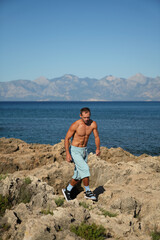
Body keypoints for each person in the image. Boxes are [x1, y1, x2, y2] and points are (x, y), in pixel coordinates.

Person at [62, 107, 100, 201]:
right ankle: (88, 192)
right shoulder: (76, 125)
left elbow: (96, 137)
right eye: (85, 117)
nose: (87, 119)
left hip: (84, 151)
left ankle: (67, 190)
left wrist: (98, 148)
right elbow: (67, 139)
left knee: (79, 175)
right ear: (80, 116)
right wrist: (67, 153)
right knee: (85, 169)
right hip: (75, 151)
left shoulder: (93, 124)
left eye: (88, 117)